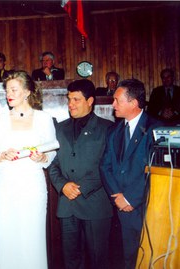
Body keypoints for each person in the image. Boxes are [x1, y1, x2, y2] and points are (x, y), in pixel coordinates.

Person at [0, 71, 58, 269]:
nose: (9, 94)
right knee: (5, 236)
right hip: (5, 185)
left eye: (14, 89)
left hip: (32, 185)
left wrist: (42, 157)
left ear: (27, 92)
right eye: (7, 90)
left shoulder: (44, 119)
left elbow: (51, 152)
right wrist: (1, 155)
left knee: (30, 237)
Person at [48, 79, 113, 269]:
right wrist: (62, 185)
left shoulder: (107, 128)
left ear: (90, 101)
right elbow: (53, 163)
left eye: (76, 99)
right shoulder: (59, 128)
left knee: (97, 260)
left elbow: (107, 165)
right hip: (67, 205)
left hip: (95, 205)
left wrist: (80, 188)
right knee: (71, 261)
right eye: (69, 99)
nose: (70, 104)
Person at [100, 79, 161, 269]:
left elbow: (155, 172)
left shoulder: (155, 128)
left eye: (117, 100)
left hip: (144, 207)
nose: (113, 105)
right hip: (118, 207)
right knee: (124, 260)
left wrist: (130, 199)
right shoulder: (114, 130)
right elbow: (105, 166)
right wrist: (117, 197)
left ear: (133, 103)